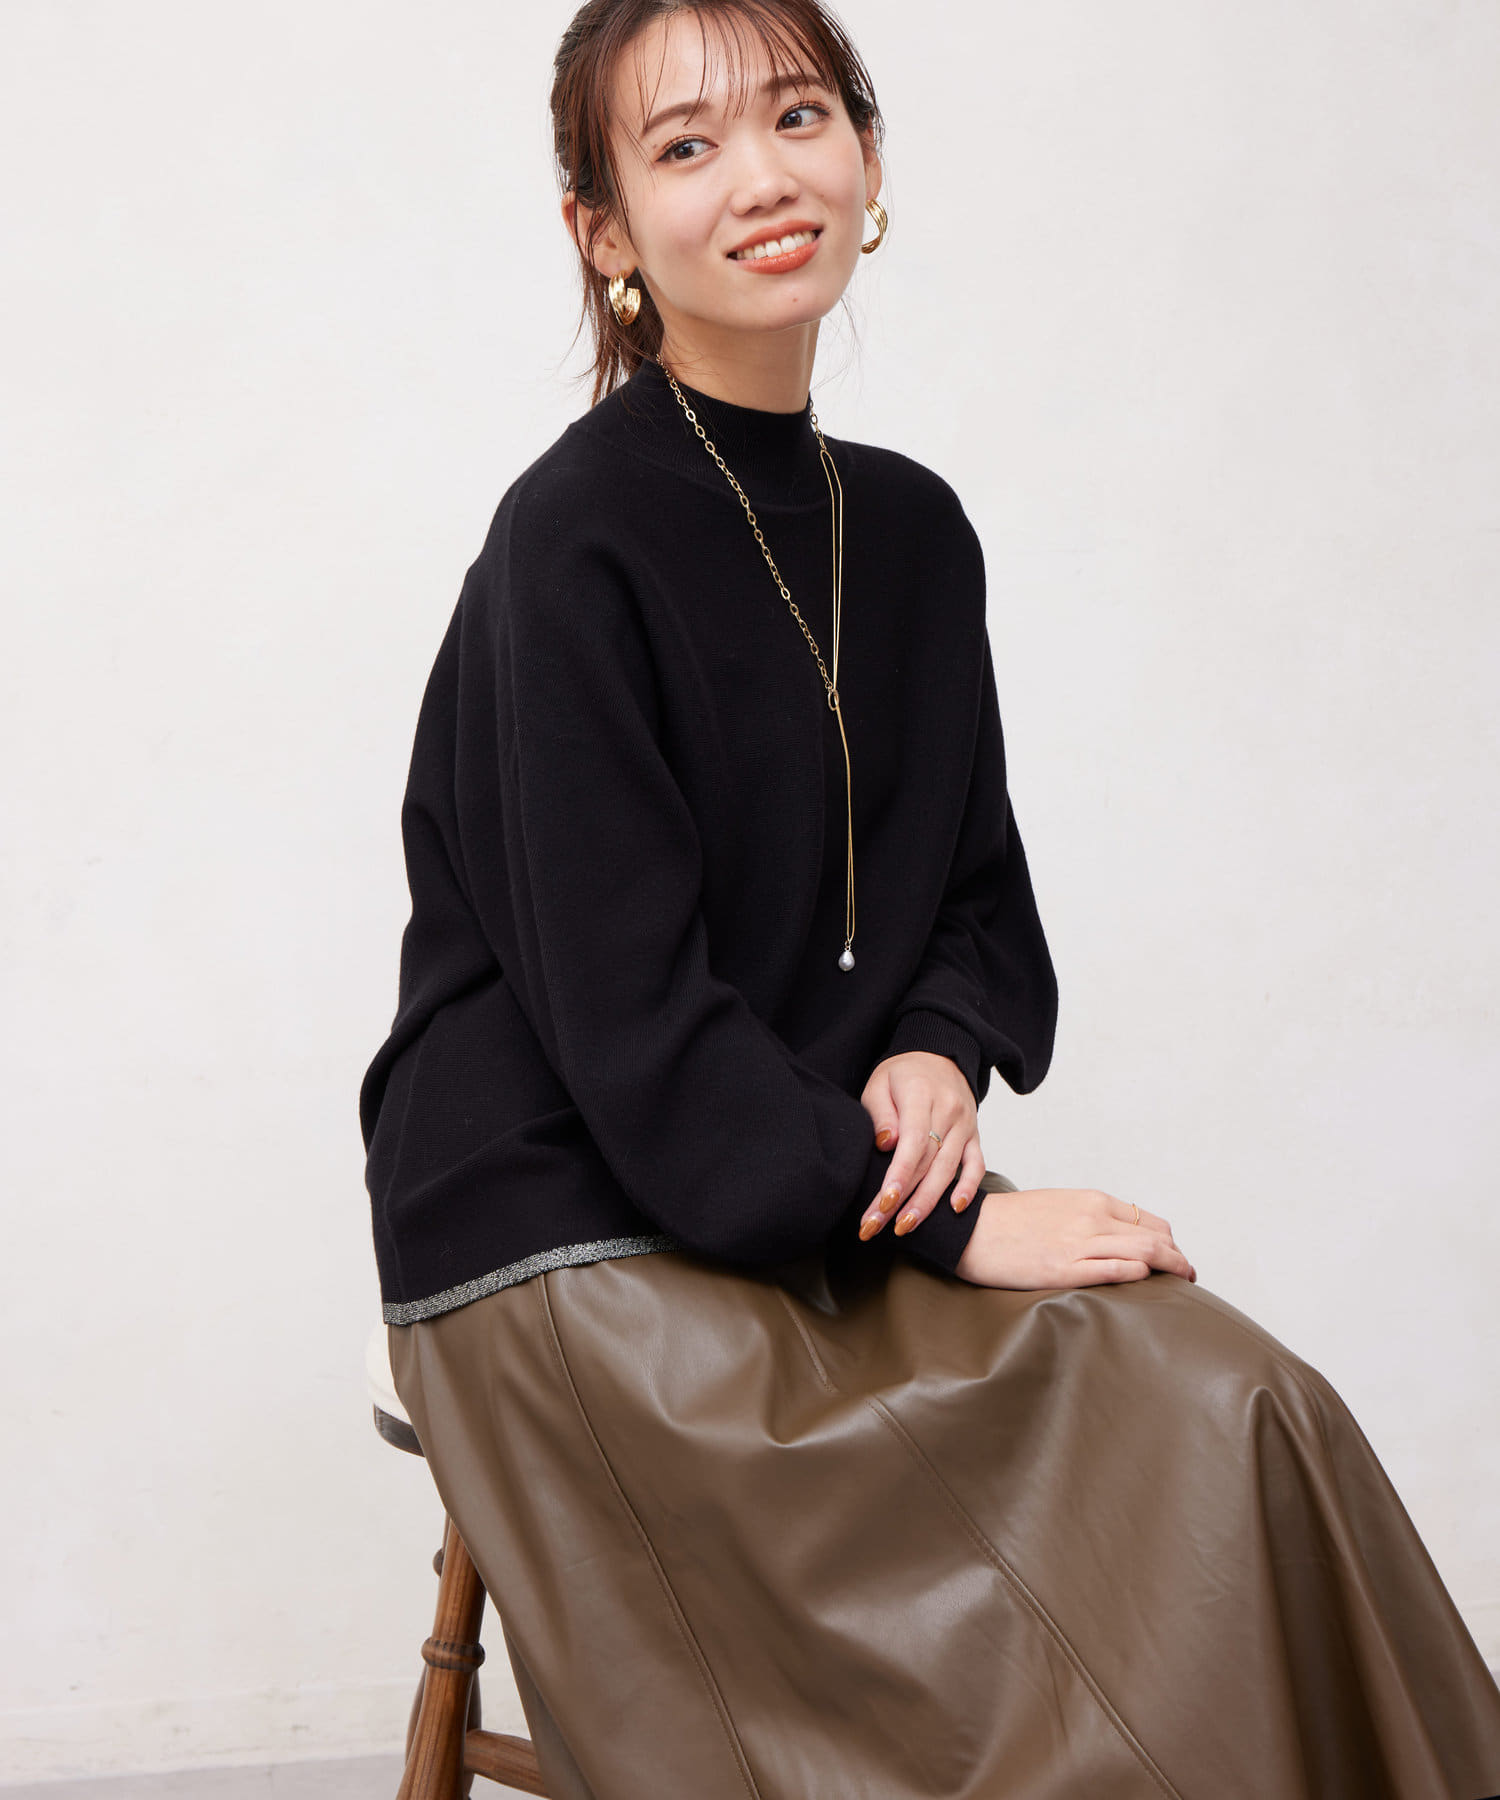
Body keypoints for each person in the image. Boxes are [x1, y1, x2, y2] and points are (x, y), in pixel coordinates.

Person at [360, 2, 1500, 1794]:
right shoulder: (568, 542)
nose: (761, 177)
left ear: (868, 156)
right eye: (684, 146)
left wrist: (935, 1057)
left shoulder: (910, 532)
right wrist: (951, 1228)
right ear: (605, 230)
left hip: (822, 1181)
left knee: (1242, 1402)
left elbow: (971, 896)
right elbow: (630, 1027)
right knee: (996, 1650)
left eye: (798, 116)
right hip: (569, 1222)